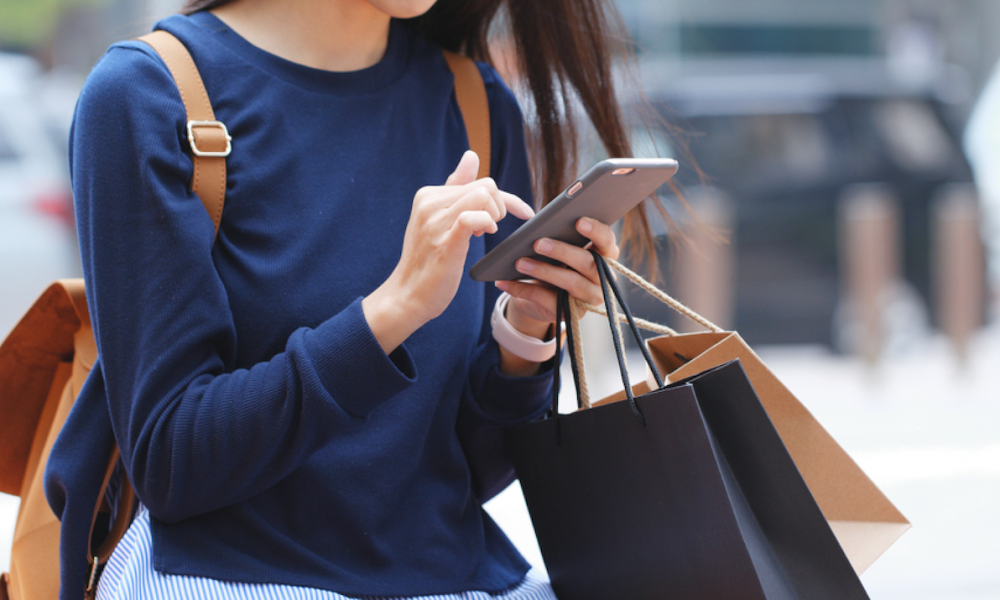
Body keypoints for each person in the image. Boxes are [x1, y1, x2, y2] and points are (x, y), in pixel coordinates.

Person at [45, 0, 666, 598]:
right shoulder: (150, 94)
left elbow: (466, 473)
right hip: (230, 576)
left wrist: (525, 332)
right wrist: (393, 310)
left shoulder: (475, 103)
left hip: (460, 578)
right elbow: (171, 462)